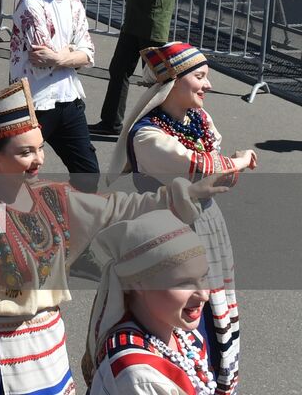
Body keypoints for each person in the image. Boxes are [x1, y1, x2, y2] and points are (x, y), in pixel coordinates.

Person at [0, 79, 227, 395]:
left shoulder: (51, 196)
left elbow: (117, 208)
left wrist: (186, 193)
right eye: (25, 152)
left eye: (40, 148)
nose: (38, 160)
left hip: (49, 339)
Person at [109, 43, 255, 394]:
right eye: (200, 77)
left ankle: (211, 379)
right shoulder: (147, 136)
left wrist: (228, 168)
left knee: (210, 302)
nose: (207, 85)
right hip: (168, 232)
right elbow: (203, 168)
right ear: (172, 82)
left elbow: (219, 179)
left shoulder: (199, 119)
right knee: (171, 311)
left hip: (205, 224)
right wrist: (240, 160)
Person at [0, 0, 99, 190]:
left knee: (88, 174)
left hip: (69, 99)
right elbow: (40, 60)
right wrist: (71, 53)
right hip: (34, 101)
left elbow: (88, 54)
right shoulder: (32, 4)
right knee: (12, 171)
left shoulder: (75, 5)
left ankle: (68, 222)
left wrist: (60, 56)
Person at [81, 213, 218, 395]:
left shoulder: (181, 333)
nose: (204, 295)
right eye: (184, 283)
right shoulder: (138, 374)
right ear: (138, 282)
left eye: (204, 277)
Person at [91, 0, 182, 137]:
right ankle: (111, 123)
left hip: (152, 27)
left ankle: (164, 129)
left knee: (158, 82)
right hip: (134, 24)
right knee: (119, 70)